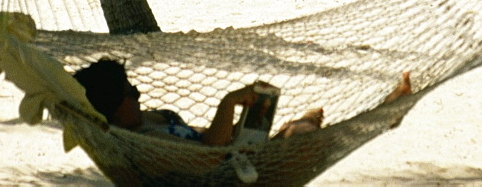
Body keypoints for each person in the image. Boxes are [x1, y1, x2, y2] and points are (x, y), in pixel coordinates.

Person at [72, 59, 412, 146]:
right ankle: (383, 117)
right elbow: (209, 147)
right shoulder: (140, 140)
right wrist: (229, 101)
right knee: (303, 134)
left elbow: (209, 135)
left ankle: (383, 114)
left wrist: (241, 123)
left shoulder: (152, 120)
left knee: (297, 129)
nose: (139, 95)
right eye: (131, 93)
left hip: (238, 157)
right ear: (115, 105)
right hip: (234, 177)